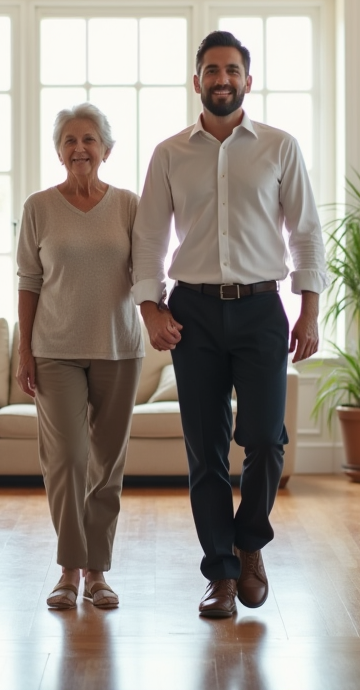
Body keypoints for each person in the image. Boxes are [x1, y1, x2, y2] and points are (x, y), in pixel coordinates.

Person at [131, 31, 329, 618]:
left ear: (248, 78)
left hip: (262, 308)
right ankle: (220, 572)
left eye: (232, 70)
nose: (222, 79)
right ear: (197, 81)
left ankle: (249, 544)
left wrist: (310, 309)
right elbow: (147, 237)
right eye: (212, 70)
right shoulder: (169, 153)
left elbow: (307, 232)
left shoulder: (279, 147)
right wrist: (151, 309)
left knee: (266, 438)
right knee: (205, 449)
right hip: (191, 312)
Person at [16, 103, 144, 611]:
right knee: (67, 460)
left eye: (89, 139)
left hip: (118, 347)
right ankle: (69, 567)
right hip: (55, 350)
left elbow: (150, 271)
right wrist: (24, 349)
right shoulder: (39, 208)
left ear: (106, 150)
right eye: (69, 140)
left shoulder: (130, 206)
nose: (80, 148)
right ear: (58, 151)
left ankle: (98, 572)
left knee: (107, 465)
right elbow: (29, 281)